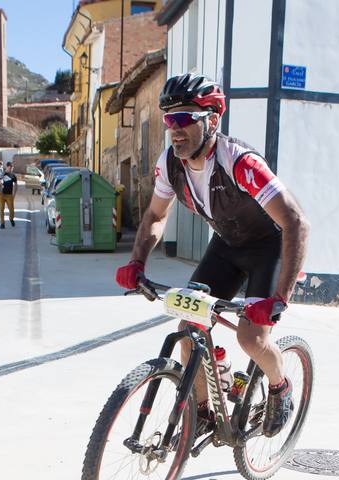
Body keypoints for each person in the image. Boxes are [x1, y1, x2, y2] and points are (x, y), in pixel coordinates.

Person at [116, 74, 310, 438]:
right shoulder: (170, 165)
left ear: (213, 120)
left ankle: (279, 384)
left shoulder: (239, 162)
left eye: (186, 118)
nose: (176, 129)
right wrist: (137, 262)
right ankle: (203, 411)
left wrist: (280, 299)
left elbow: (296, 223)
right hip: (226, 245)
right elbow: (156, 215)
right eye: (169, 119)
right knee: (188, 330)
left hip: (268, 246)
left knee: (251, 339)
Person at [0, 161, 17, 229]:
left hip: (9, 195)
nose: (11, 169)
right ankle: (2, 223)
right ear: (7, 167)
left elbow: (16, 185)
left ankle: (11, 219)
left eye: (12, 168)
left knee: (11, 209)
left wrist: (14, 194)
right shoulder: (2, 173)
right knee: (1, 209)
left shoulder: (13, 176)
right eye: (10, 167)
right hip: (1, 194)